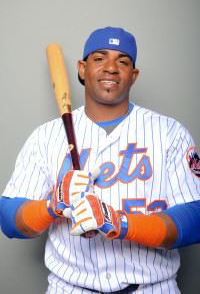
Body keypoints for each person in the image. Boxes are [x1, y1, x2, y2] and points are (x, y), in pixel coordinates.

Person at [0, 26, 200, 294]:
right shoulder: (45, 136)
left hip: (152, 288)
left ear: (133, 75)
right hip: (70, 288)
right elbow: (8, 218)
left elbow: (195, 218)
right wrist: (52, 203)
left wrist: (119, 223)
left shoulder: (170, 133)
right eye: (100, 58)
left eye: (123, 61)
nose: (111, 68)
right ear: (82, 69)